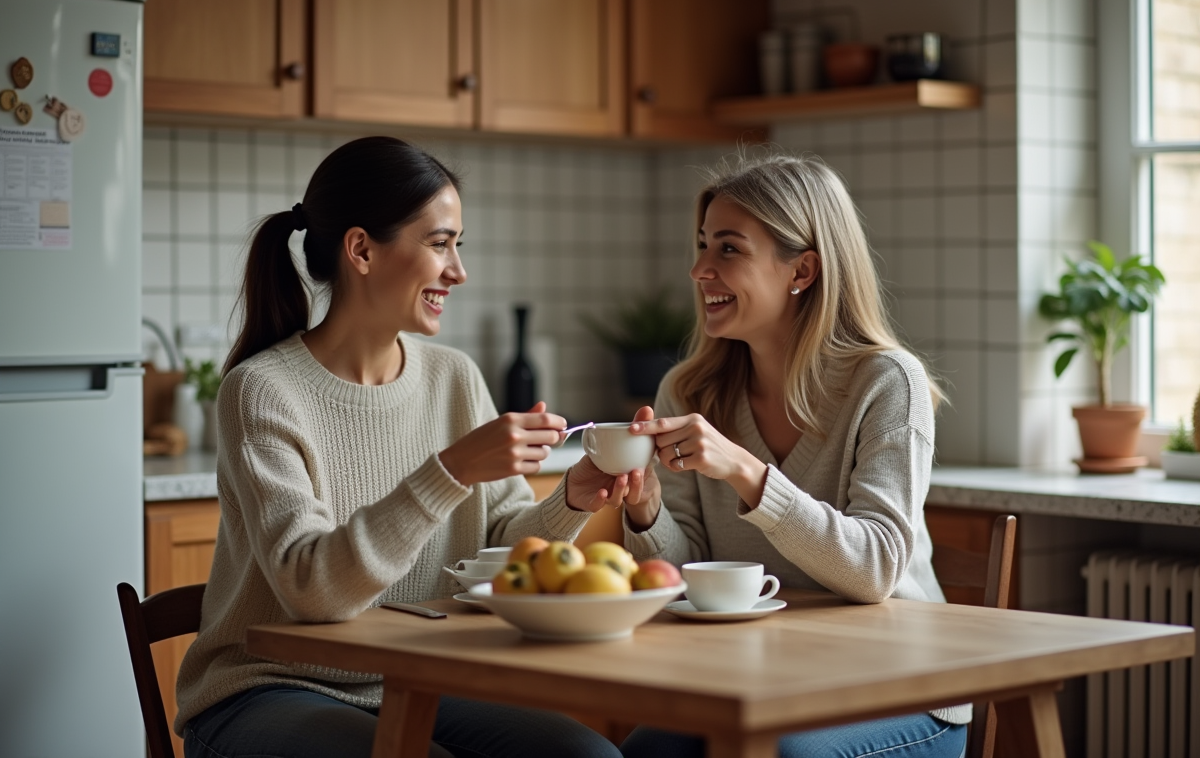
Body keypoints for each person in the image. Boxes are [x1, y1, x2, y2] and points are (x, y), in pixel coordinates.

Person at [175, 136, 629, 758]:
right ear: (361, 249)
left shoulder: (454, 377)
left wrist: (571, 502)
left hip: (421, 678)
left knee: (589, 756)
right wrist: (452, 469)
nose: (458, 271)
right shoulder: (261, 392)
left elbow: (501, 555)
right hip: (271, 688)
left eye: (457, 246)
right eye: (440, 244)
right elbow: (313, 592)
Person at [617, 152, 970, 758]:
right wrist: (647, 510)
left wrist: (747, 472)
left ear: (801, 269)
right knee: (646, 751)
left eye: (728, 249)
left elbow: (877, 569)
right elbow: (688, 575)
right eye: (702, 246)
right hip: (759, 681)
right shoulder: (689, 389)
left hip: (899, 688)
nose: (700, 269)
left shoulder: (887, 382)